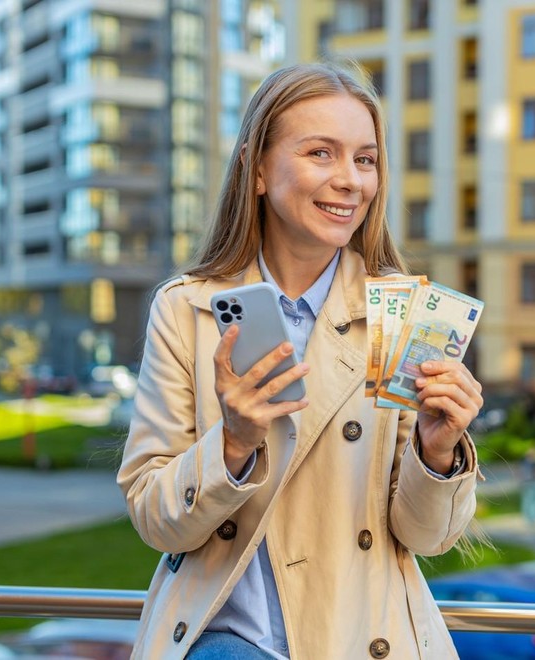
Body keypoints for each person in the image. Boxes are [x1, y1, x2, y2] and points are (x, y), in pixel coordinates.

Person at [118, 61, 484, 660]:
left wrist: (437, 451)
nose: (350, 181)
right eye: (321, 153)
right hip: (233, 641)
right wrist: (233, 445)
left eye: (365, 159)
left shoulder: (403, 313)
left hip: (365, 638)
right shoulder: (187, 310)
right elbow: (157, 522)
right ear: (257, 169)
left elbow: (427, 539)